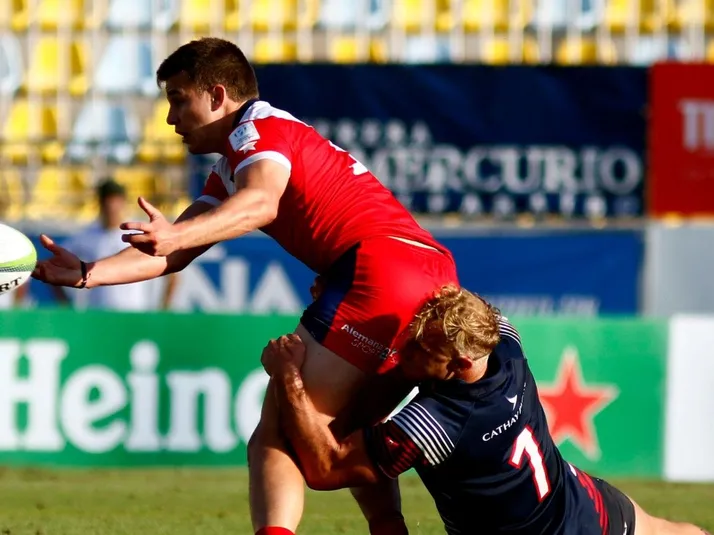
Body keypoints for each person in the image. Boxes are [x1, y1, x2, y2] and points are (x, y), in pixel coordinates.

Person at [31, 37, 458, 535]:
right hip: (432, 277)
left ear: (217, 95)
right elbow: (175, 252)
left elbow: (261, 203)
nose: (170, 119)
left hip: (378, 269)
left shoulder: (256, 130)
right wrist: (90, 271)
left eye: (178, 100)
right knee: (353, 430)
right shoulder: (235, 165)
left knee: (278, 433)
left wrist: (176, 235)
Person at [261, 285, 711, 535]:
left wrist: (289, 378)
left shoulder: (437, 423)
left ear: (459, 364)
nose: (404, 352)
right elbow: (474, 307)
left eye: (420, 351)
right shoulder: (504, 344)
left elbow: (327, 467)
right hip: (581, 501)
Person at [54, 178, 177, 311]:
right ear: (100, 203)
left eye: (115, 201)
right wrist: (66, 306)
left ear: (123, 202)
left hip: (135, 313)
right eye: (107, 201)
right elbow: (56, 266)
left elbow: (172, 271)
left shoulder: (137, 233)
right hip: (99, 314)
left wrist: (164, 309)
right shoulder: (86, 236)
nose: (111, 207)